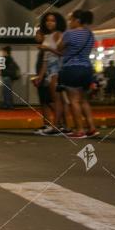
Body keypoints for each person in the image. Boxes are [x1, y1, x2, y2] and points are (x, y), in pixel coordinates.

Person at [42, 9, 98, 138]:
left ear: (77, 21)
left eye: (71, 20)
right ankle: (92, 128)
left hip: (71, 68)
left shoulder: (69, 34)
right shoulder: (90, 34)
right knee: (84, 100)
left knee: (74, 101)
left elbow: (59, 48)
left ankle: (79, 130)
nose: (69, 22)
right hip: (87, 69)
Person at [34, 12, 69, 136]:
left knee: (57, 100)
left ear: (57, 22)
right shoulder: (47, 36)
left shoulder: (59, 35)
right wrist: (40, 76)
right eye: (47, 20)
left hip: (57, 69)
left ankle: (57, 127)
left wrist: (47, 49)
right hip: (49, 70)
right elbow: (45, 60)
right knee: (57, 99)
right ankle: (62, 126)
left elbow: (63, 54)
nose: (49, 23)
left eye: (53, 21)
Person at [0, 45, 20, 110]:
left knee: (6, 91)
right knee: (7, 91)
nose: (2, 52)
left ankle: (8, 105)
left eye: (3, 51)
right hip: (10, 77)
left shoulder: (4, 58)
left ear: (5, 51)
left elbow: (0, 67)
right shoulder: (10, 58)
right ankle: (8, 104)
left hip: (6, 77)